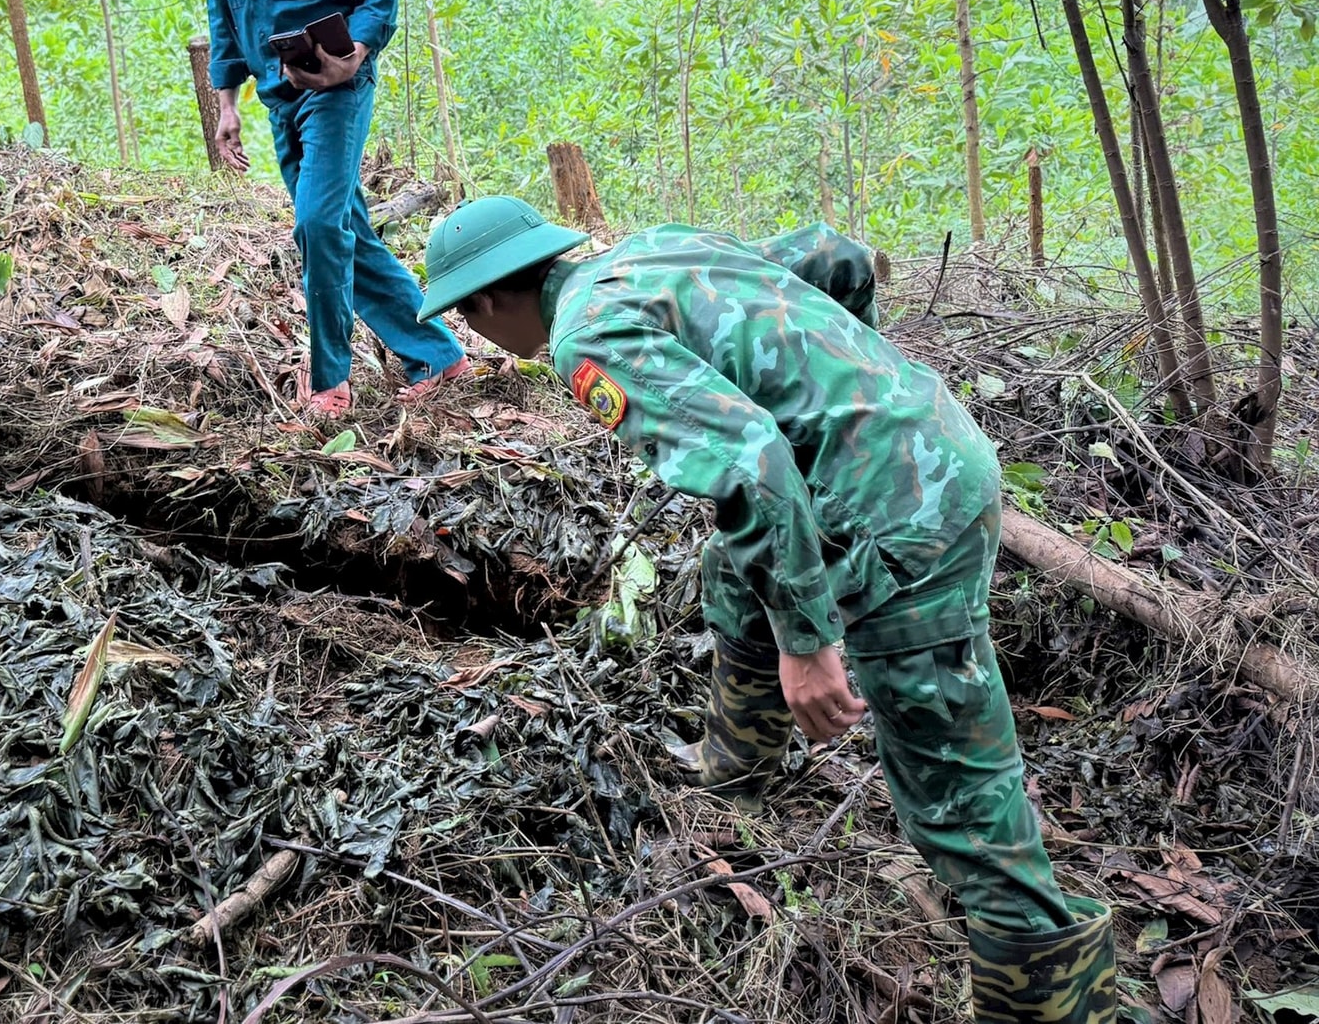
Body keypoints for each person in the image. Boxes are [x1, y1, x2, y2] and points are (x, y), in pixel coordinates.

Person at [416, 196, 1119, 1024]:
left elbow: (751, 463)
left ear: (492, 298)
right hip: (924, 440)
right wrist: (852, 390)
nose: (473, 329)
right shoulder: (656, 248)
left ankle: (1053, 1001)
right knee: (734, 561)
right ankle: (737, 771)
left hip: (903, 512)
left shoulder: (583, 336)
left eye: (465, 311)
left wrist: (809, 642)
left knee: (956, 795)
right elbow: (835, 254)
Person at [170, 0, 469, 419]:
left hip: (337, 87)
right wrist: (227, 105)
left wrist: (354, 54)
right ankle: (438, 352)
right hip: (278, 95)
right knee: (345, 230)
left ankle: (331, 379)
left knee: (317, 223)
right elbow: (224, 11)